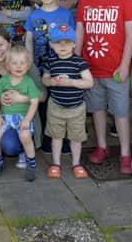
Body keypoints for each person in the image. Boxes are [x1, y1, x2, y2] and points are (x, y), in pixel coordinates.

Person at [76, 0, 132, 174]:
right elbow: (80, 32)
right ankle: (102, 146)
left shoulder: (124, 0)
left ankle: (125, 152)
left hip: (115, 69)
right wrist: (76, 60)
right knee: (97, 109)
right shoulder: (85, 0)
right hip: (91, 69)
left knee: (120, 112)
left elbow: (130, 35)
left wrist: (124, 64)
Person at [0, 26, 46, 173]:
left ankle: (22, 150)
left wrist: (21, 98)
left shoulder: (25, 64)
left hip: (21, 118)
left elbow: (43, 96)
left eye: (0, 45)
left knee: (9, 145)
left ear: (10, 43)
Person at [42, 25, 93, 179]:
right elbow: (44, 79)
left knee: (76, 138)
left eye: (67, 42)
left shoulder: (79, 62)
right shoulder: (50, 61)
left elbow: (89, 82)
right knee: (56, 136)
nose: (62, 46)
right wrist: (51, 81)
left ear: (74, 44)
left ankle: (76, 163)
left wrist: (71, 82)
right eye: (58, 42)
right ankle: (56, 163)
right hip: (56, 106)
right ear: (51, 44)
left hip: (76, 107)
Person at [0, 46, 41, 182]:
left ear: (28, 65)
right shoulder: (4, 80)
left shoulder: (29, 82)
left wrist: (27, 120)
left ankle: (31, 164)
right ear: (7, 65)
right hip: (5, 117)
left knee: (25, 136)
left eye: (22, 63)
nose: (18, 66)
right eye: (14, 63)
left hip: (22, 117)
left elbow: (34, 102)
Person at [24, 0, 75, 70]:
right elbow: (28, 40)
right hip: (40, 66)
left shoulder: (67, 15)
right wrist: (30, 62)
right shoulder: (33, 15)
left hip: (62, 66)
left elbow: (73, 39)